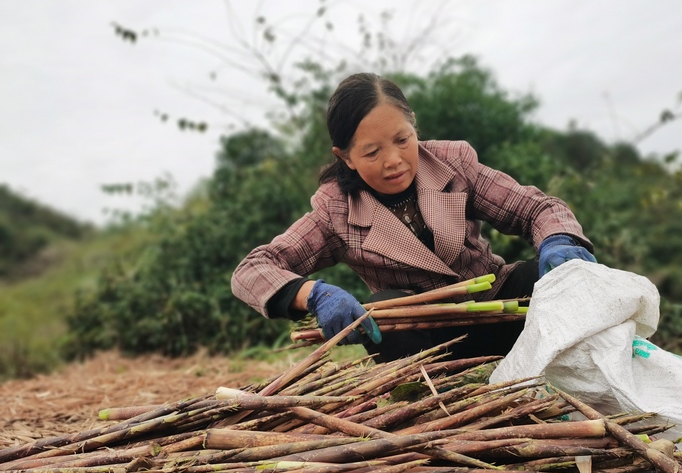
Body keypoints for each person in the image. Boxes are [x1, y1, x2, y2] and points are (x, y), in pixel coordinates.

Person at [231, 72, 596, 362]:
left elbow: (537, 208)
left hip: (500, 306)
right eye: (372, 152)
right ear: (345, 157)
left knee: (549, 279)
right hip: (425, 345)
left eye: (403, 140)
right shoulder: (336, 210)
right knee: (382, 310)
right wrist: (314, 295)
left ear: (414, 126)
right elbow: (253, 269)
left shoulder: (453, 163)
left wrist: (558, 240)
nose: (394, 160)